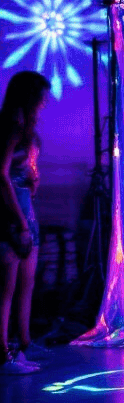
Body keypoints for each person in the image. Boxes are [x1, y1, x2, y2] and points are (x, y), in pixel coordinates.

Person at [0, 71, 50, 375]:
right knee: (6, 288)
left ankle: (24, 344)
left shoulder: (28, 129)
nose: (45, 103)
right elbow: (0, 173)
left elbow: (24, 175)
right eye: (42, 97)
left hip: (26, 209)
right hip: (12, 213)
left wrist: (33, 181)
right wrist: (18, 221)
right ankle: (4, 354)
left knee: (25, 284)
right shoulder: (13, 126)